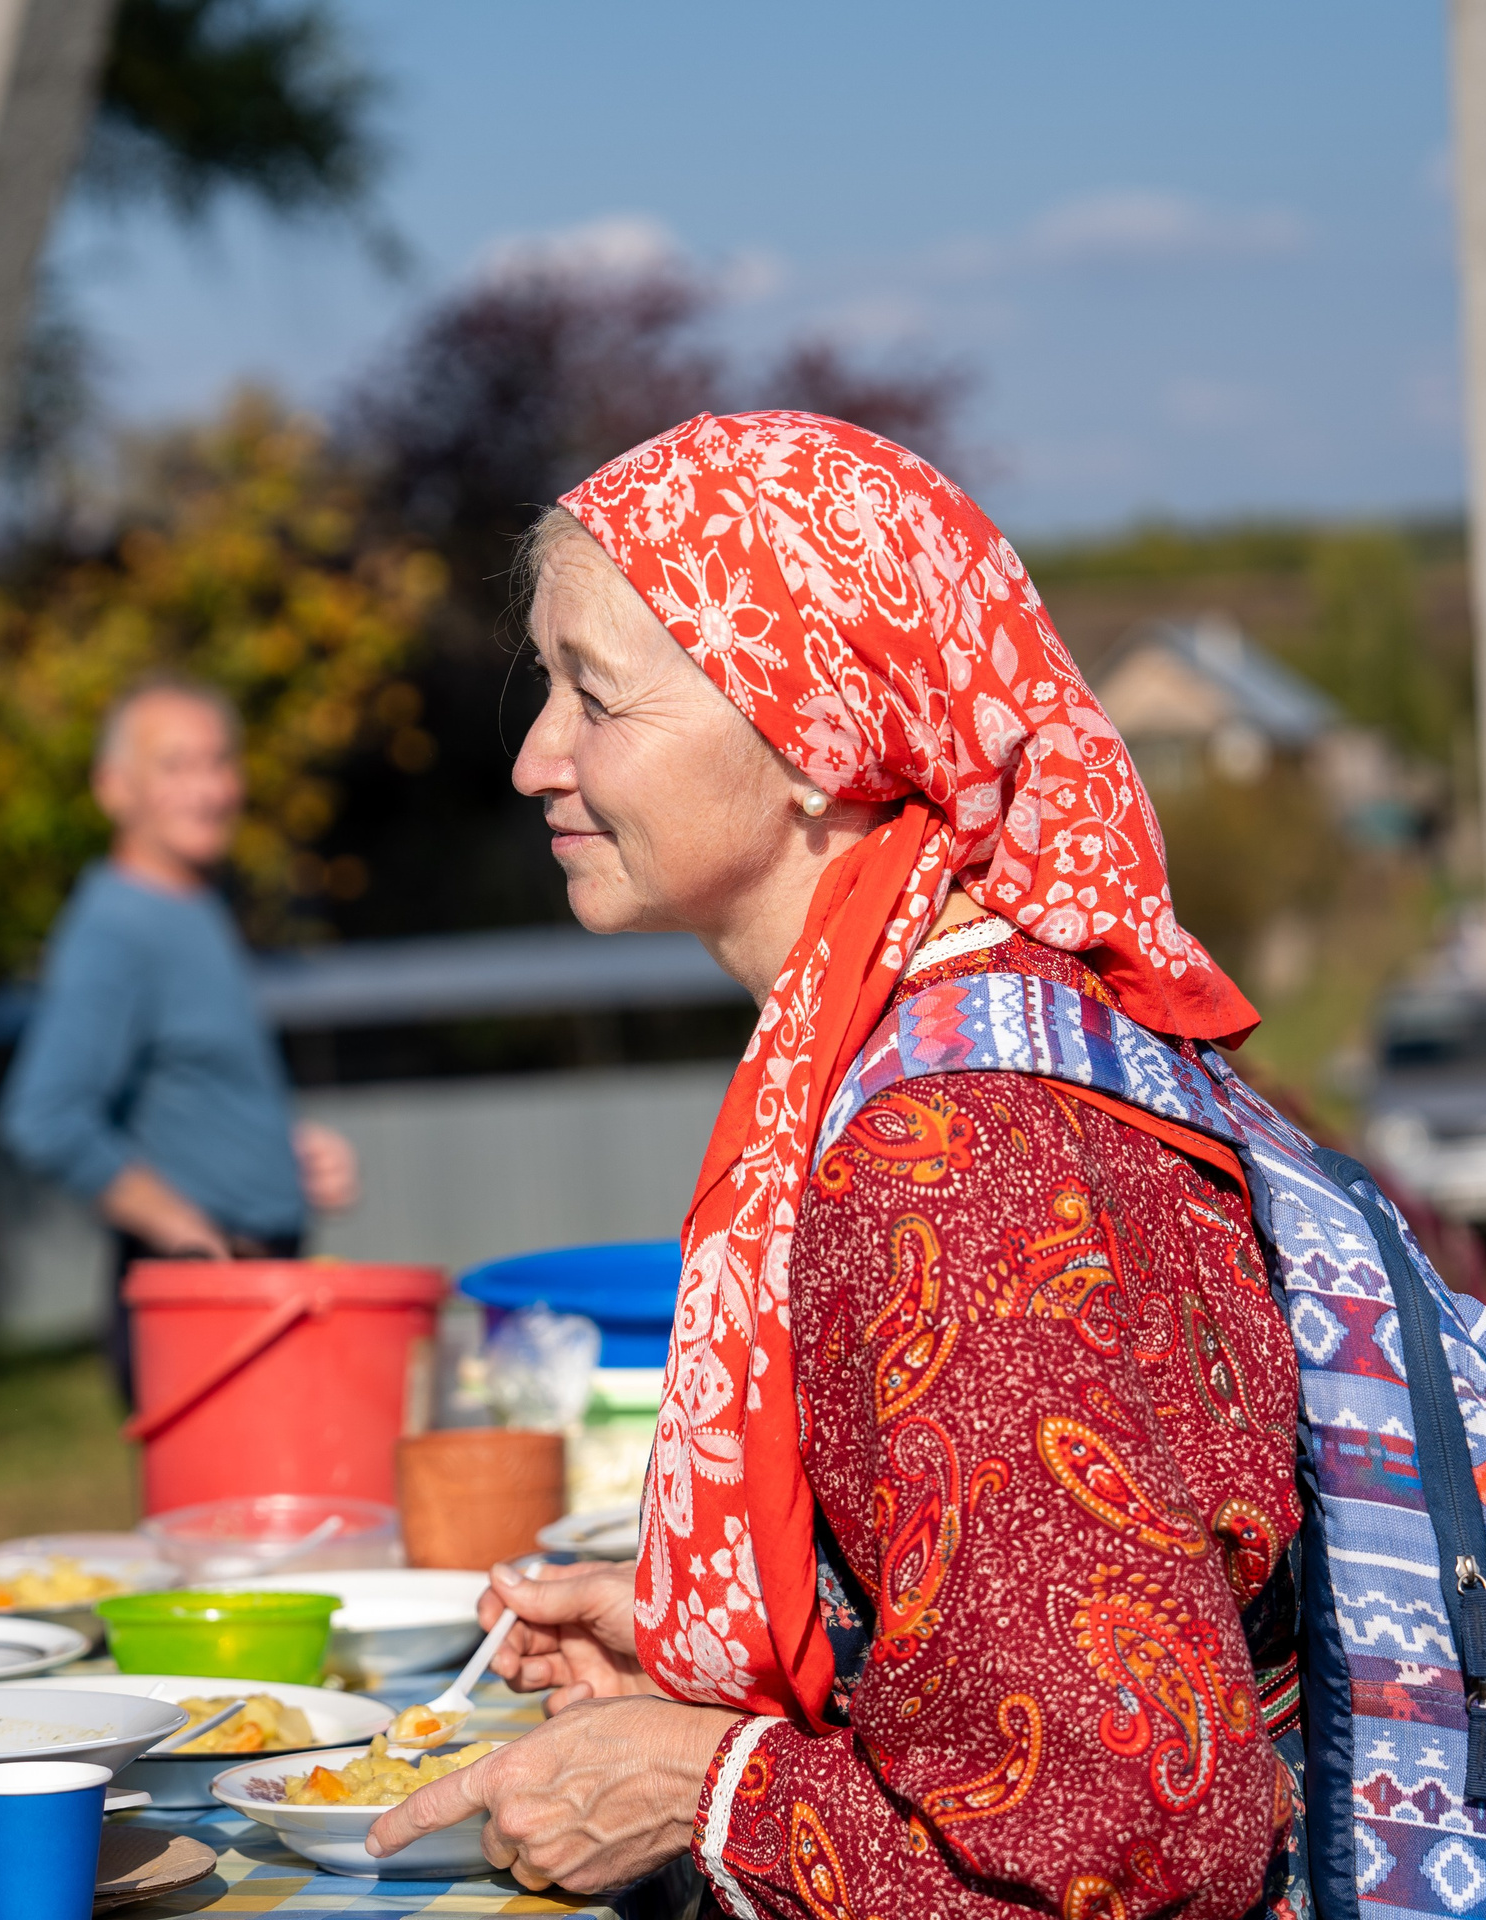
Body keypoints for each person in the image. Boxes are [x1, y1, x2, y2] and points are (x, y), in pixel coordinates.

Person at [368, 414, 1300, 1920]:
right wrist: (751, 1652)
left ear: (815, 732)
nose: (537, 755)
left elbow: (1127, 1849)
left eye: (595, 692)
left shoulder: (957, 1154)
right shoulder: (948, 1035)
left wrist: (701, 1786)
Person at [0, 677, 358, 1387]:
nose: (209, 789)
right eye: (175, 765)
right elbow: (44, 1117)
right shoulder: (116, 926)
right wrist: (190, 1235)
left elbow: (185, 1081)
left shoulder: (193, 904)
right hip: (200, 1303)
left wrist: (281, 1152)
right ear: (113, 789)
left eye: (220, 762)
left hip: (255, 1278)